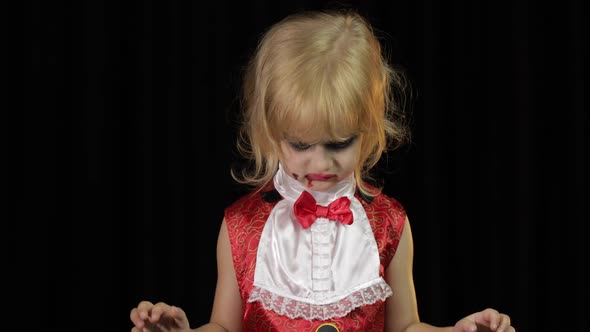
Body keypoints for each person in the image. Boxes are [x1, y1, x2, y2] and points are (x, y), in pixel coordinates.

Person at [130, 9, 515, 332]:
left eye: (339, 143)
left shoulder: (390, 223)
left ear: (369, 132)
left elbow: (406, 327)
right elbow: (225, 326)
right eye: (300, 144)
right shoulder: (240, 226)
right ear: (271, 134)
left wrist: (454, 331)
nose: (321, 163)